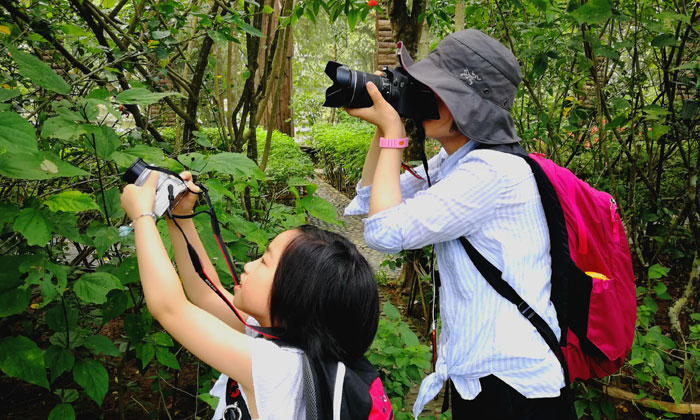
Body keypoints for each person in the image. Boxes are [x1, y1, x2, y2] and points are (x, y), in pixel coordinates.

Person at [344, 29, 569, 419]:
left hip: (514, 387)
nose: (426, 97)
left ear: (465, 106)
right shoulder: (458, 162)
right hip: (480, 377)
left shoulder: (491, 172)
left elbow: (384, 231)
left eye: (436, 89)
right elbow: (371, 198)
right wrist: (384, 127)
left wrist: (396, 133)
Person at [120, 171, 380, 419]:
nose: (249, 265)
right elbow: (206, 293)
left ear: (294, 295)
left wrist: (142, 216)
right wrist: (181, 216)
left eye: (265, 262)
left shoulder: (279, 369)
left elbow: (169, 308)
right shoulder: (283, 335)